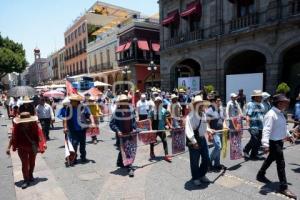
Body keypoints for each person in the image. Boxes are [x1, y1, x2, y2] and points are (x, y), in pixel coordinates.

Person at [256, 94, 297, 199]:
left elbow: (283, 127)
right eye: (285, 102)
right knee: (281, 164)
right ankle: (283, 187)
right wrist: (265, 145)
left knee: (270, 158)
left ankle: (260, 174)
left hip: (279, 141)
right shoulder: (271, 114)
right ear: (279, 103)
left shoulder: (280, 113)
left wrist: (288, 135)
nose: (287, 104)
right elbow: (266, 130)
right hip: (273, 142)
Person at [6, 112, 46, 189]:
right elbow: (13, 137)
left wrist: (43, 143)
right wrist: (8, 147)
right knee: (24, 163)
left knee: (32, 162)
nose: (26, 122)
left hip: (32, 147)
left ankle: (30, 174)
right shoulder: (17, 126)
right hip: (22, 147)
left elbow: (40, 134)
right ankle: (26, 180)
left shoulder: (34, 125)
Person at [185, 95, 213, 186]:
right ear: (195, 105)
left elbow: (204, 126)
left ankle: (202, 174)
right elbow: (188, 130)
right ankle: (196, 177)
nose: (200, 105)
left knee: (206, 158)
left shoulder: (203, 114)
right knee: (194, 160)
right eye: (198, 103)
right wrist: (194, 142)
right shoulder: (191, 116)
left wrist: (209, 130)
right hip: (194, 140)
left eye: (201, 103)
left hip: (202, 139)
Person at [61, 94, 94, 165]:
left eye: (72, 101)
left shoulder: (84, 107)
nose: (71, 102)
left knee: (83, 144)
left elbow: (90, 115)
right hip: (73, 129)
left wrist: (93, 123)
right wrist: (65, 127)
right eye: (71, 100)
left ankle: (83, 157)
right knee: (74, 144)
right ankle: (74, 158)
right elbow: (65, 118)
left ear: (77, 101)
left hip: (82, 129)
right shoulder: (69, 108)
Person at [110, 94, 137, 177]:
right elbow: (112, 124)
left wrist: (134, 128)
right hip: (121, 135)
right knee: (124, 150)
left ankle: (127, 166)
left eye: (125, 101)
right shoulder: (116, 112)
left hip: (130, 134)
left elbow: (133, 122)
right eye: (122, 101)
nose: (124, 103)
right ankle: (129, 167)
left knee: (128, 150)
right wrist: (118, 131)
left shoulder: (130, 110)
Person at [206, 95, 227, 172]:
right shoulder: (209, 111)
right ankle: (208, 163)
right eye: (217, 101)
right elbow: (207, 123)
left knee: (219, 148)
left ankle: (217, 164)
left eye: (220, 100)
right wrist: (209, 133)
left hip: (221, 131)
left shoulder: (221, 109)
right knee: (218, 147)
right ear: (213, 102)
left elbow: (223, 120)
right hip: (214, 132)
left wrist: (225, 126)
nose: (219, 102)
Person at [149, 96, 172, 162]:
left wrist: (169, 125)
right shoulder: (152, 110)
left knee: (164, 141)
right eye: (157, 102)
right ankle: (152, 152)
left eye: (159, 102)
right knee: (152, 141)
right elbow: (150, 119)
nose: (158, 103)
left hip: (161, 128)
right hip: (154, 128)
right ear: (155, 102)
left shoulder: (164, 110)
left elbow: (166, 119)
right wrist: (150, 128)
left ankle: (166, 155)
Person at [243, 90, 265, 160]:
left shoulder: (261, 105)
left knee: (258, 141)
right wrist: (247, 125)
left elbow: (263, 115)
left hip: (261, 126)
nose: (261, 98)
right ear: (255, 97)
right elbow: (248, 115)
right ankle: (246, 150)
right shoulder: (251, 104)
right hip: (253, 125)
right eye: (260, 96)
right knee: (254, 139)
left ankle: (254, 154)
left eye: (261, 96)